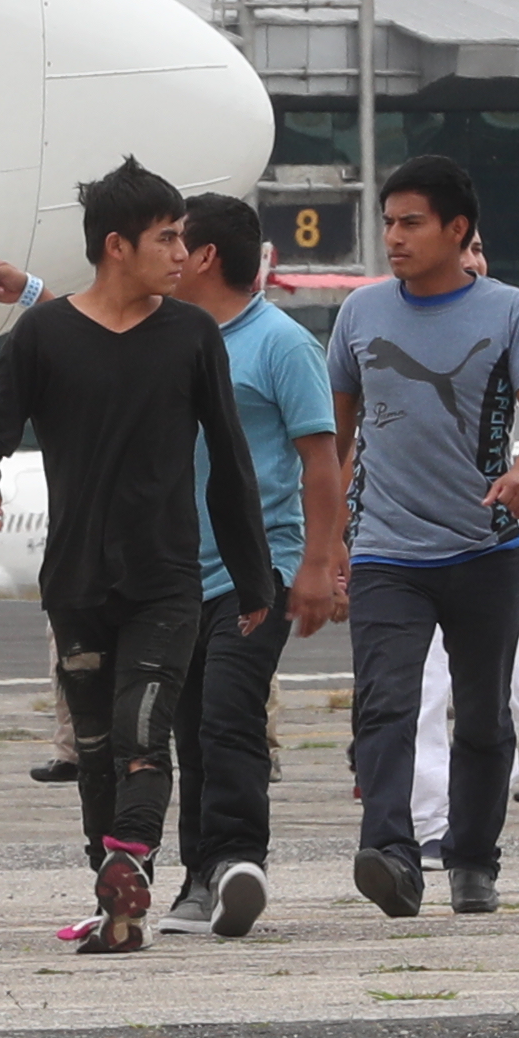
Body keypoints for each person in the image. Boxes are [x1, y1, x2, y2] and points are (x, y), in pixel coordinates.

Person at [0, 164, 279, 955]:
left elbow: (232, 463)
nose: (182, 252)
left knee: (145, 731)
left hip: (167, 580)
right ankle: (119, 902)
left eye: (183, 235)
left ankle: (130, 859)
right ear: (116, 246)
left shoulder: (191, 335)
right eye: (167, 237)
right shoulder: (44, 334)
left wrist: (251, 578)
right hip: (75, 582)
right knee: (96, 751)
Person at [329, 156, 519, 920]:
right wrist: (327, 542)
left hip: (484, 549)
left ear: (458, 230)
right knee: (385, 704)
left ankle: (474, 857)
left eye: (411, 222)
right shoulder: (360, 314)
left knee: (483, 716)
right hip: (386, 551)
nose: (394, 237)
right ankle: (390, 854)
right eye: (387, 222)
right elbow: (334, 440)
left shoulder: (508, 309)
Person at [168, 193, 348, 935]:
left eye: (177, 243)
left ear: (206, 256)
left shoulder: (281, 343)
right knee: (185, 729)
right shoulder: (170, 338)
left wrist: (315, 563)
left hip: (260, 567)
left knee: (228, 712)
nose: (168, 256)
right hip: (179, 572)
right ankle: (197, 875)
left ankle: (240, 861)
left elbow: (322, 463)